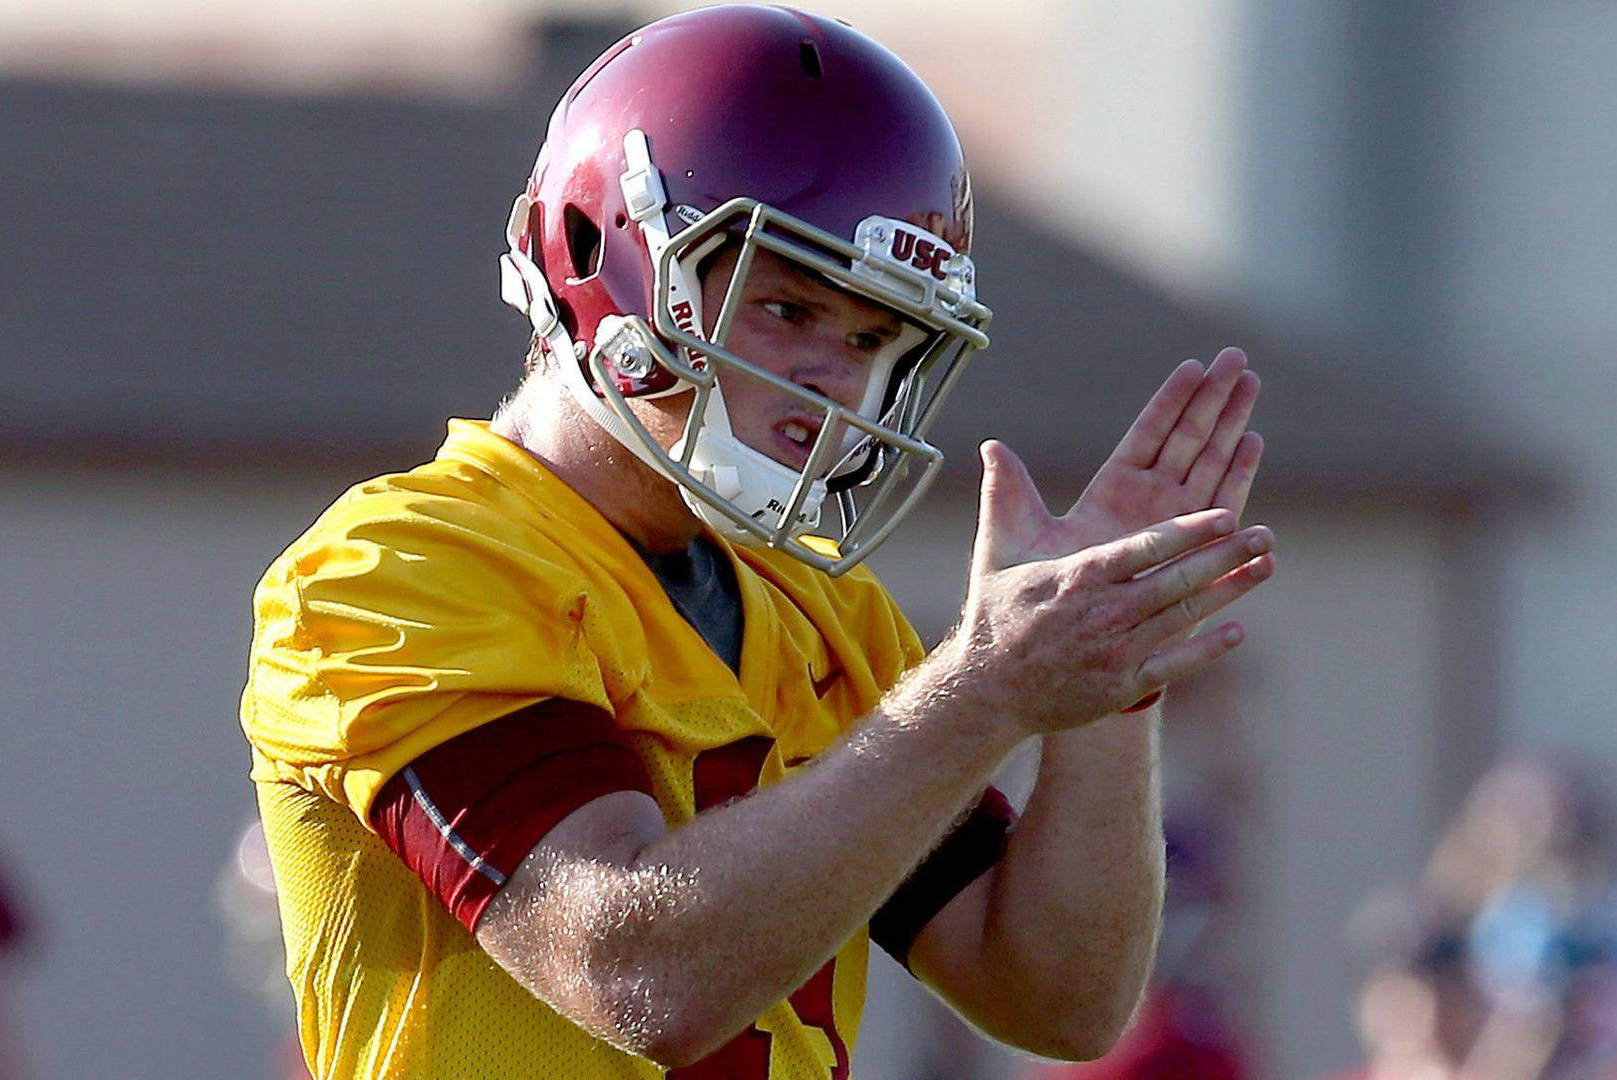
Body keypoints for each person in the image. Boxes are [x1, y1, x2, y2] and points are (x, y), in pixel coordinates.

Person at [239, 6, 1274, 1078]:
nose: (831, 376)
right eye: (786, 308)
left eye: (871, 338)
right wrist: (985, 689)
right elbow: (637, 977)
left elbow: (1058, 1001)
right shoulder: (396, 570)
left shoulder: (824, 614)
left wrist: (1111, 671)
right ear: (604, 254)